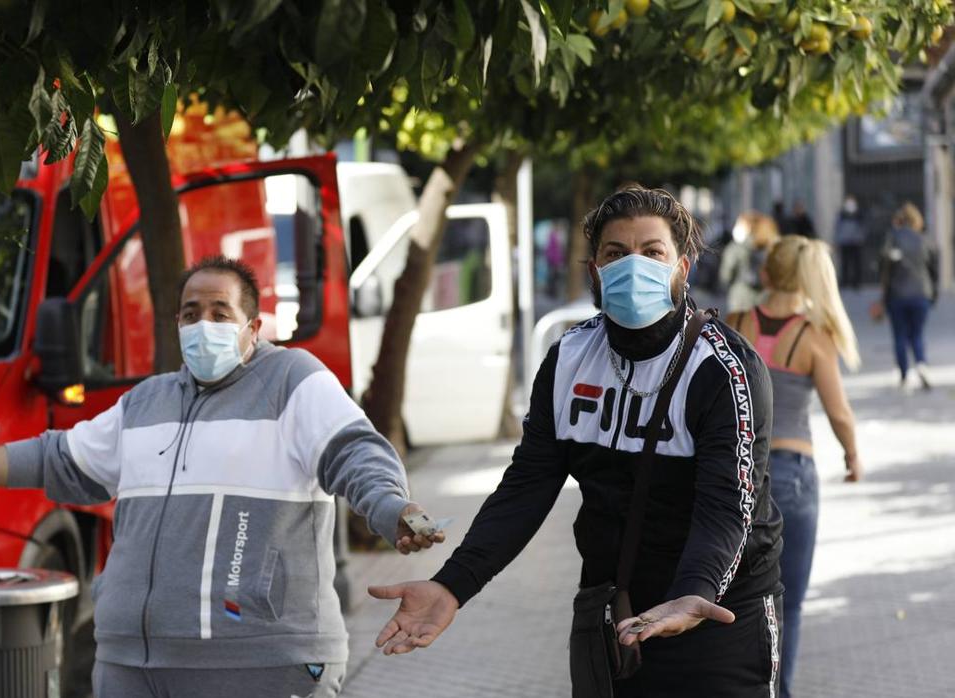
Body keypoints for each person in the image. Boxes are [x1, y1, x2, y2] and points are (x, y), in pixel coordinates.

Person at [0, 256, 444, 698]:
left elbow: (354, 453)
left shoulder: (293, 381)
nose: (203, 325)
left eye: (221, 313)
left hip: (260, 662)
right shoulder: (147, 402)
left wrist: (393, 509)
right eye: (191, 314)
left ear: (254, 327)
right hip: (132, 666)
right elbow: (57, 458)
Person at [369, 187, 783, 697]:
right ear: (594, 269)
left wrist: (693, 593)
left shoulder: (724, 369)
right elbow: (527, 485)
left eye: (652, 252)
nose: (634, 266)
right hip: (615, 615)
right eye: (616, 253)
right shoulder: (569, 358)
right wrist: (453, 584)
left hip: (717, 614)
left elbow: (726, 507)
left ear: (683, 267)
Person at [727, 235, 863, 698]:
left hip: (734, 473)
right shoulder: (813, 336)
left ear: (765, 274)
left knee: (733, 594)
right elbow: (839, 413)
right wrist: (852, 455)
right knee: (790, 602)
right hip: (791, 473)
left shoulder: (736, 323)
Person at [878, 202, 940, 392]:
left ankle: (904, 373)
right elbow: (934, 269)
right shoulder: (925, 240)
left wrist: (884, 294)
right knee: (917, 334)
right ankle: (921, 363)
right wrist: (933, 293)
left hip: (897, 295)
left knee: (900, 335)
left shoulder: (893, 239)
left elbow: (884, 268)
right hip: (921, 294)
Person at [719, 211, 779, 313]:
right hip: (766, 300)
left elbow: (725, 275)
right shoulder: (772, 246)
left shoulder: (736, 247)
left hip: (740, 301)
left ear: (748, 227)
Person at [833, 196, 866, 289]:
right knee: (845, 263)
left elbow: (863, 227)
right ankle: (845, 281)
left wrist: (861, 238)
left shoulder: (859, 214)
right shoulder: (841, 214)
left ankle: (857, 282)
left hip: (856, 242)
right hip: (845, 242)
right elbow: (837, 228)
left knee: (856, 263)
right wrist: (837, 240)